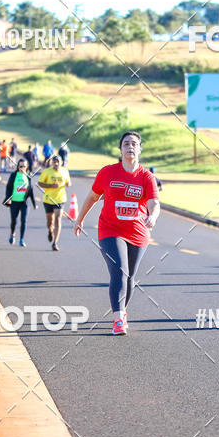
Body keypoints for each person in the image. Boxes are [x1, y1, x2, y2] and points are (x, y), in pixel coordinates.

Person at [74, 131, 159, 335]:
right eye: (126, 144)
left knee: (129, 277)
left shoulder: (147, 177)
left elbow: (154, 203)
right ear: (120, 149)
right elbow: (92, 197)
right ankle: (118, 318)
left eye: (134, 144)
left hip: (138, 233)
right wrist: (80, 219)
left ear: (140, 149)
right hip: (110, 229)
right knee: (119, 270)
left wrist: (153, 216)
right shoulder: (107, 173)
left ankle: (122, 310)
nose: (130, 147)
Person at [38, 154, 71, 251]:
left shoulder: (64, 171)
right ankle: (50, 231)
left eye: (58, 162)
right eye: (54, 162)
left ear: (61, 162)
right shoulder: (47, 171)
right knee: (50, 221)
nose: (56, 163)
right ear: (52, 163)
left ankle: (55, 243)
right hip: (48, 199)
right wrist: (51, 186)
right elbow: (40, 183)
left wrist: (68, 184)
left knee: (58, 219)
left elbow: (68, 182)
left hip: (60, 199)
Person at [4, 157, 36, 246]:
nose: (22, 168)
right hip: (14, 201)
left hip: (24, 202)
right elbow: (8, 187)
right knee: (14, 221)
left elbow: (31, 190)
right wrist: (8, 198)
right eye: (20, 166)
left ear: (27, 167)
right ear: (18, 166)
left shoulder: (28, 176)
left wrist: (34, 204)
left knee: (24, 220)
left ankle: (22, 239)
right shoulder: (14, 175)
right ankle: (12, 234)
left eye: (24, 166)